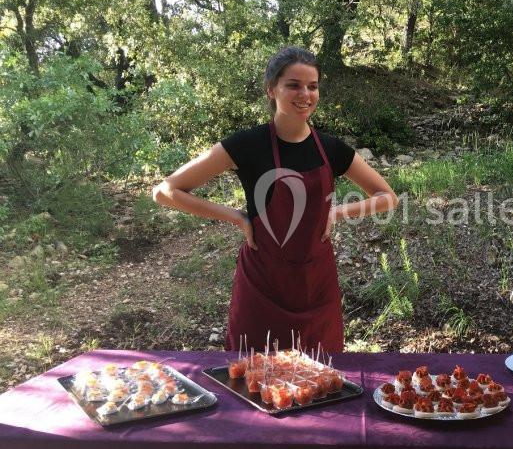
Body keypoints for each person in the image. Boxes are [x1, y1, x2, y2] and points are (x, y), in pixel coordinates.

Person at [152, 46, 399, 353]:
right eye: (293, 85)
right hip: (262, 287)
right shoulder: (246, 145)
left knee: (320, 380)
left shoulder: (331, 148)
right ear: (271, 89)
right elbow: (165, 191)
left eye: (313, 86)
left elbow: (387, 197)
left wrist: (335, 214)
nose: (305, 94)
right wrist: (237, 217)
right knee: (253, 378)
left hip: (316, 285)